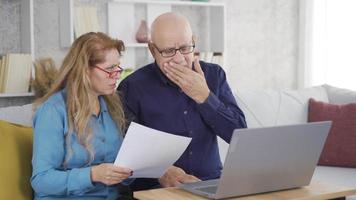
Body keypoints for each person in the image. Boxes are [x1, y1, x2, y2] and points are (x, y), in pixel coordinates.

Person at [118, 12, 247, 190]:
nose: (179, 59)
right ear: (153, 50)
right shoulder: (132, 87)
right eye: (169, 51)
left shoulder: (215, 75)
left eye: (186, 48)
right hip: (157, 189)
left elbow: (239, 135)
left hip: (211, 183)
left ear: (194, 41)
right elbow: (124, 145)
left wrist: (205, 97)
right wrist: (160, 170)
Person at [31, 32, 133, 199]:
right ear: (84, 70)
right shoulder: (53, 111)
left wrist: (131, 171)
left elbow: (118, 167)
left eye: (117, 67)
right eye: (109, 69)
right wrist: (92, 175)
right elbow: (41, 180)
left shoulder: (111, 105)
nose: (117, 75)